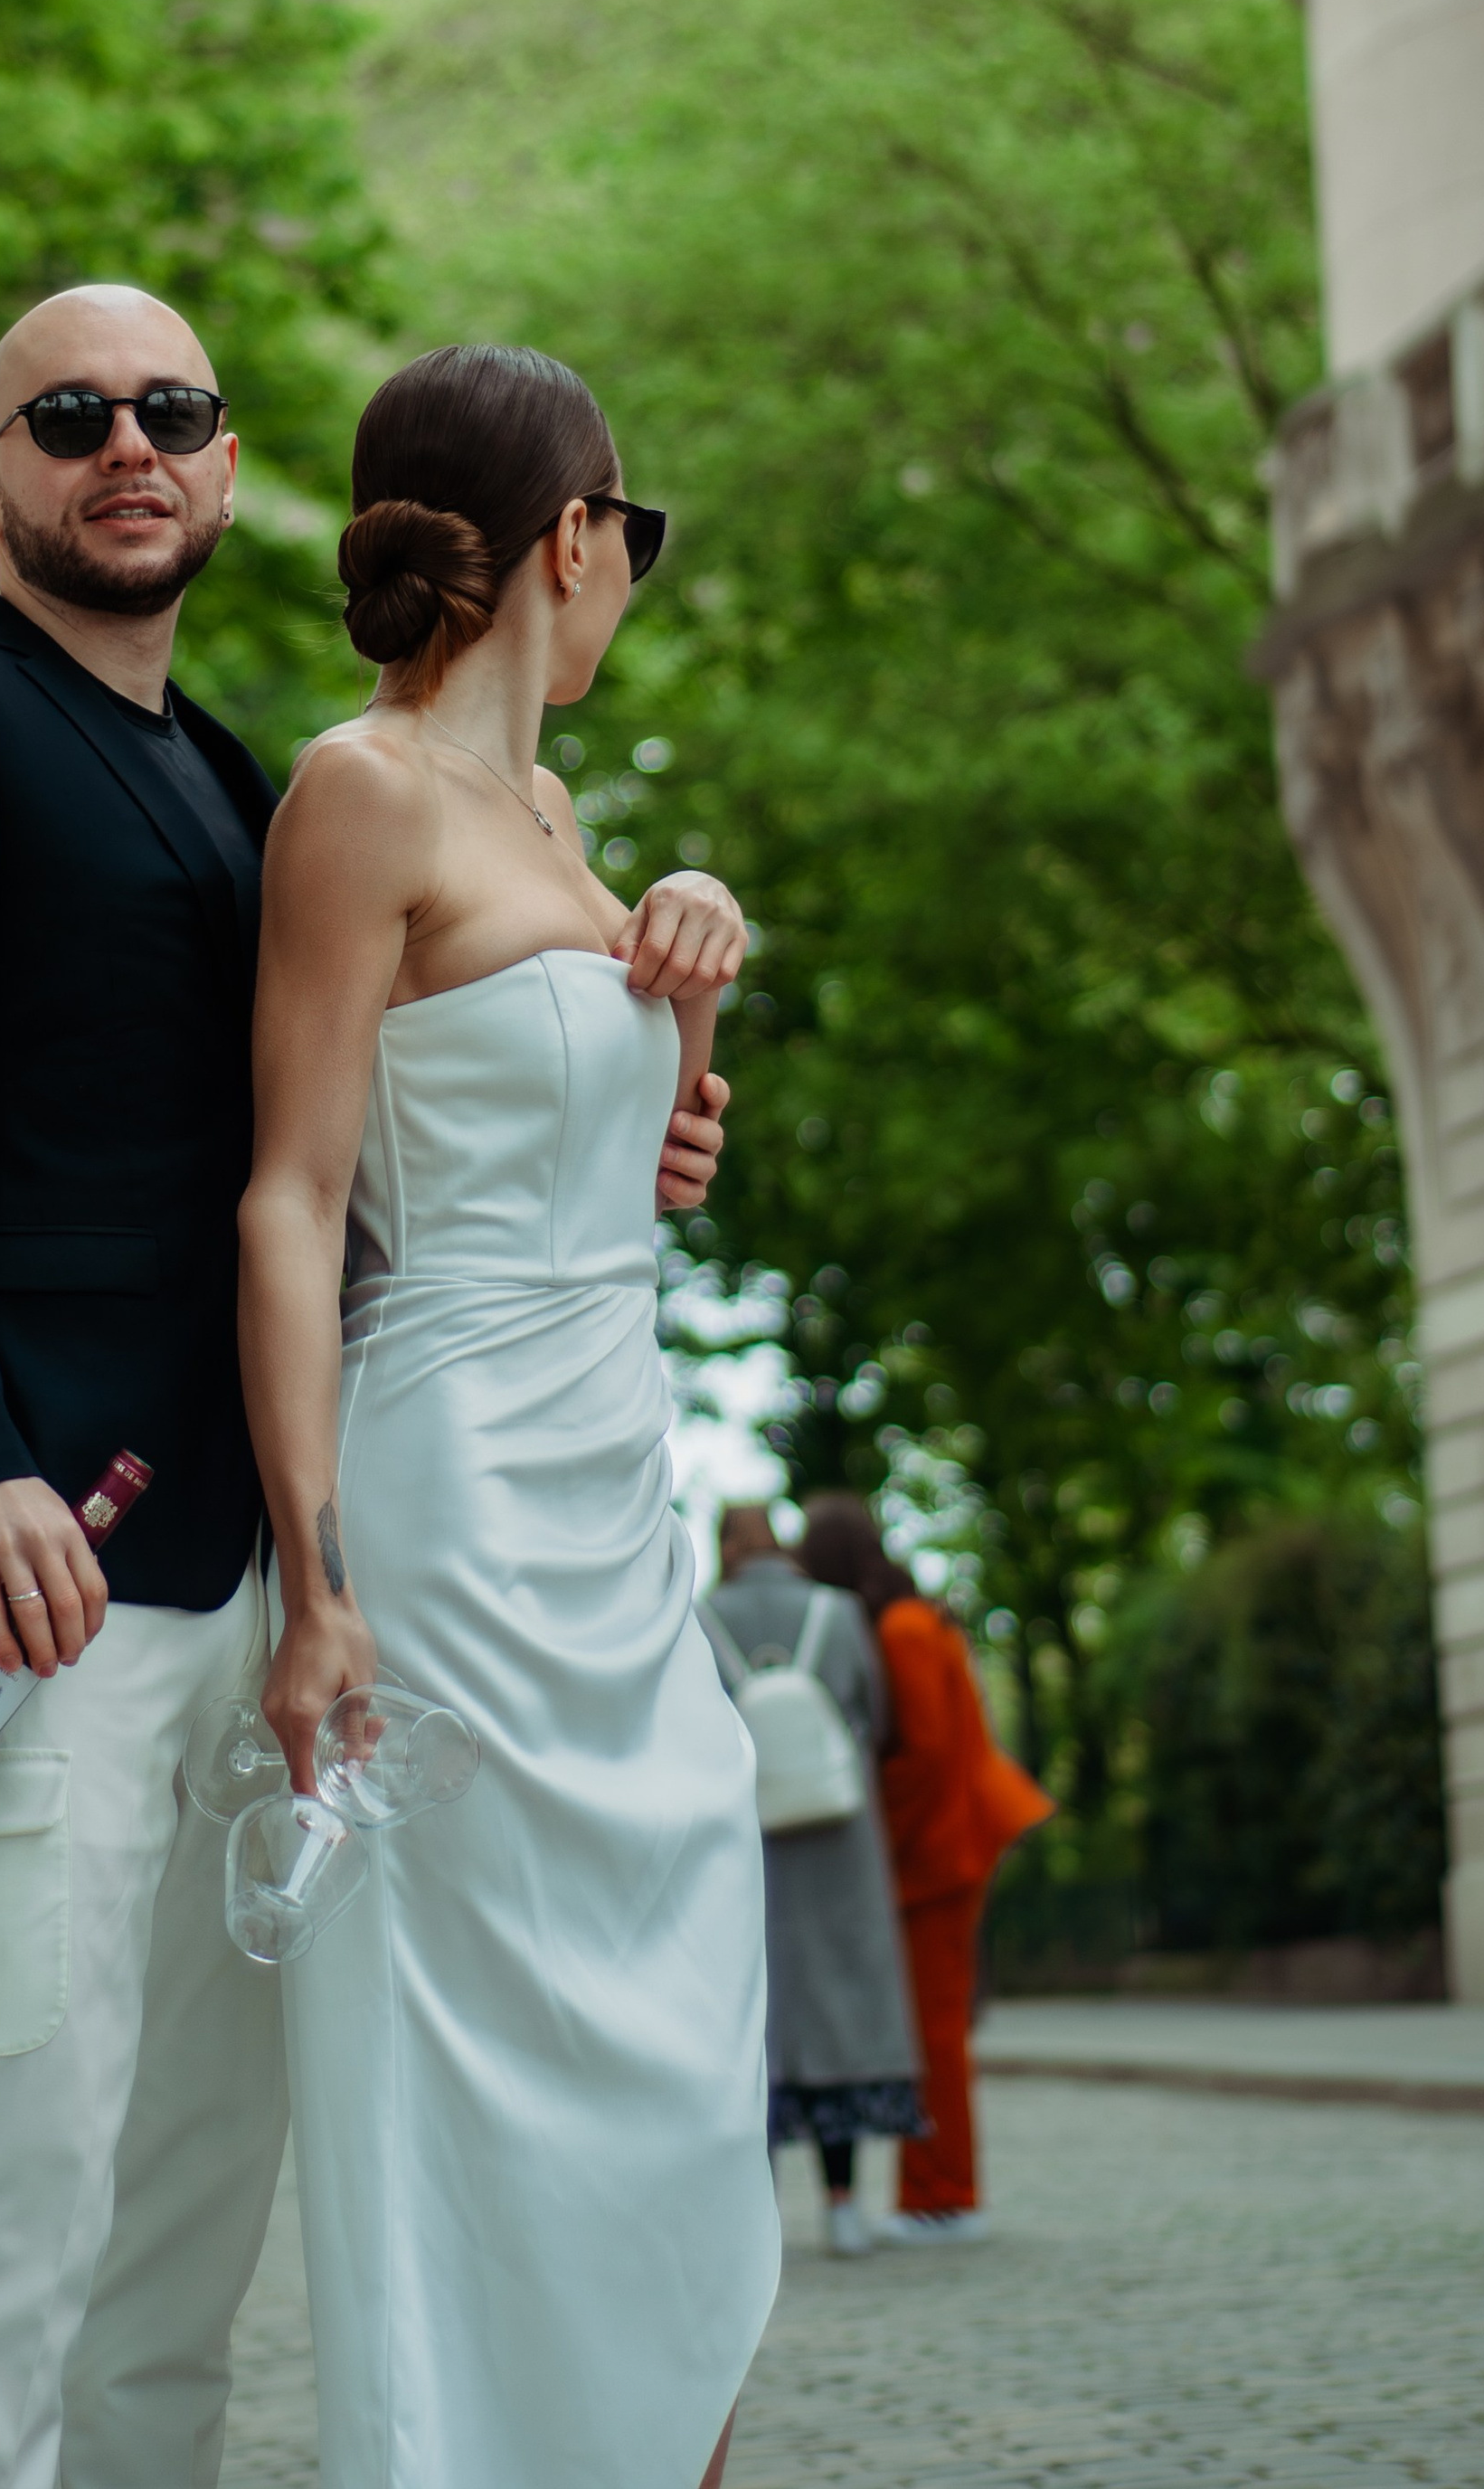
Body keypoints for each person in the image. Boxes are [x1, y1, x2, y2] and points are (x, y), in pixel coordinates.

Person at [0, 289, 733, 2489]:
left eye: (172, 411)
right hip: (15, 1575)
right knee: (5, 2194)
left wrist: (626, 1099)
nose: (128, 441)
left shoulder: (234, 780)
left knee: (177, 2240)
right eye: (70, 413)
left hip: (254, 1583)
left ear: (222, 468)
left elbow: (342, 1152)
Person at [240, 341, 780, 2489]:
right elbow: (291, 1193)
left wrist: (695, 994)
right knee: (473, 2082)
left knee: (669, 2067)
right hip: (448, 1508)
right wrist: (316, 1577)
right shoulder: (351, 788)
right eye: (629, 532)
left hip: (619, 1510)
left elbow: (621, 1156)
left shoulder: (552, 814)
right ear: (570, 535)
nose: (628, 574)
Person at [797, 1494, 1051, 2243]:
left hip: (939, 1852)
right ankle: (935, 2191)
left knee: (934, 2028)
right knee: (934, 2021)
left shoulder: (903, 1630)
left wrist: (869, 1835)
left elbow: (922, 1759)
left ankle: (943, 2195)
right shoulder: (911, 1619)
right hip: (949, 1844)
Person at [702, 1504, 922, 2258]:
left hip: (743, 1847)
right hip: (839, 1844)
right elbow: (876, 1714)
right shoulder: (840, 1613)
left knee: (753, 2022)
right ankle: (843, 2206)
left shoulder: (699, 1620)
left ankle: (757, 2216)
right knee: (840, 2012)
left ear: (727, 1547)